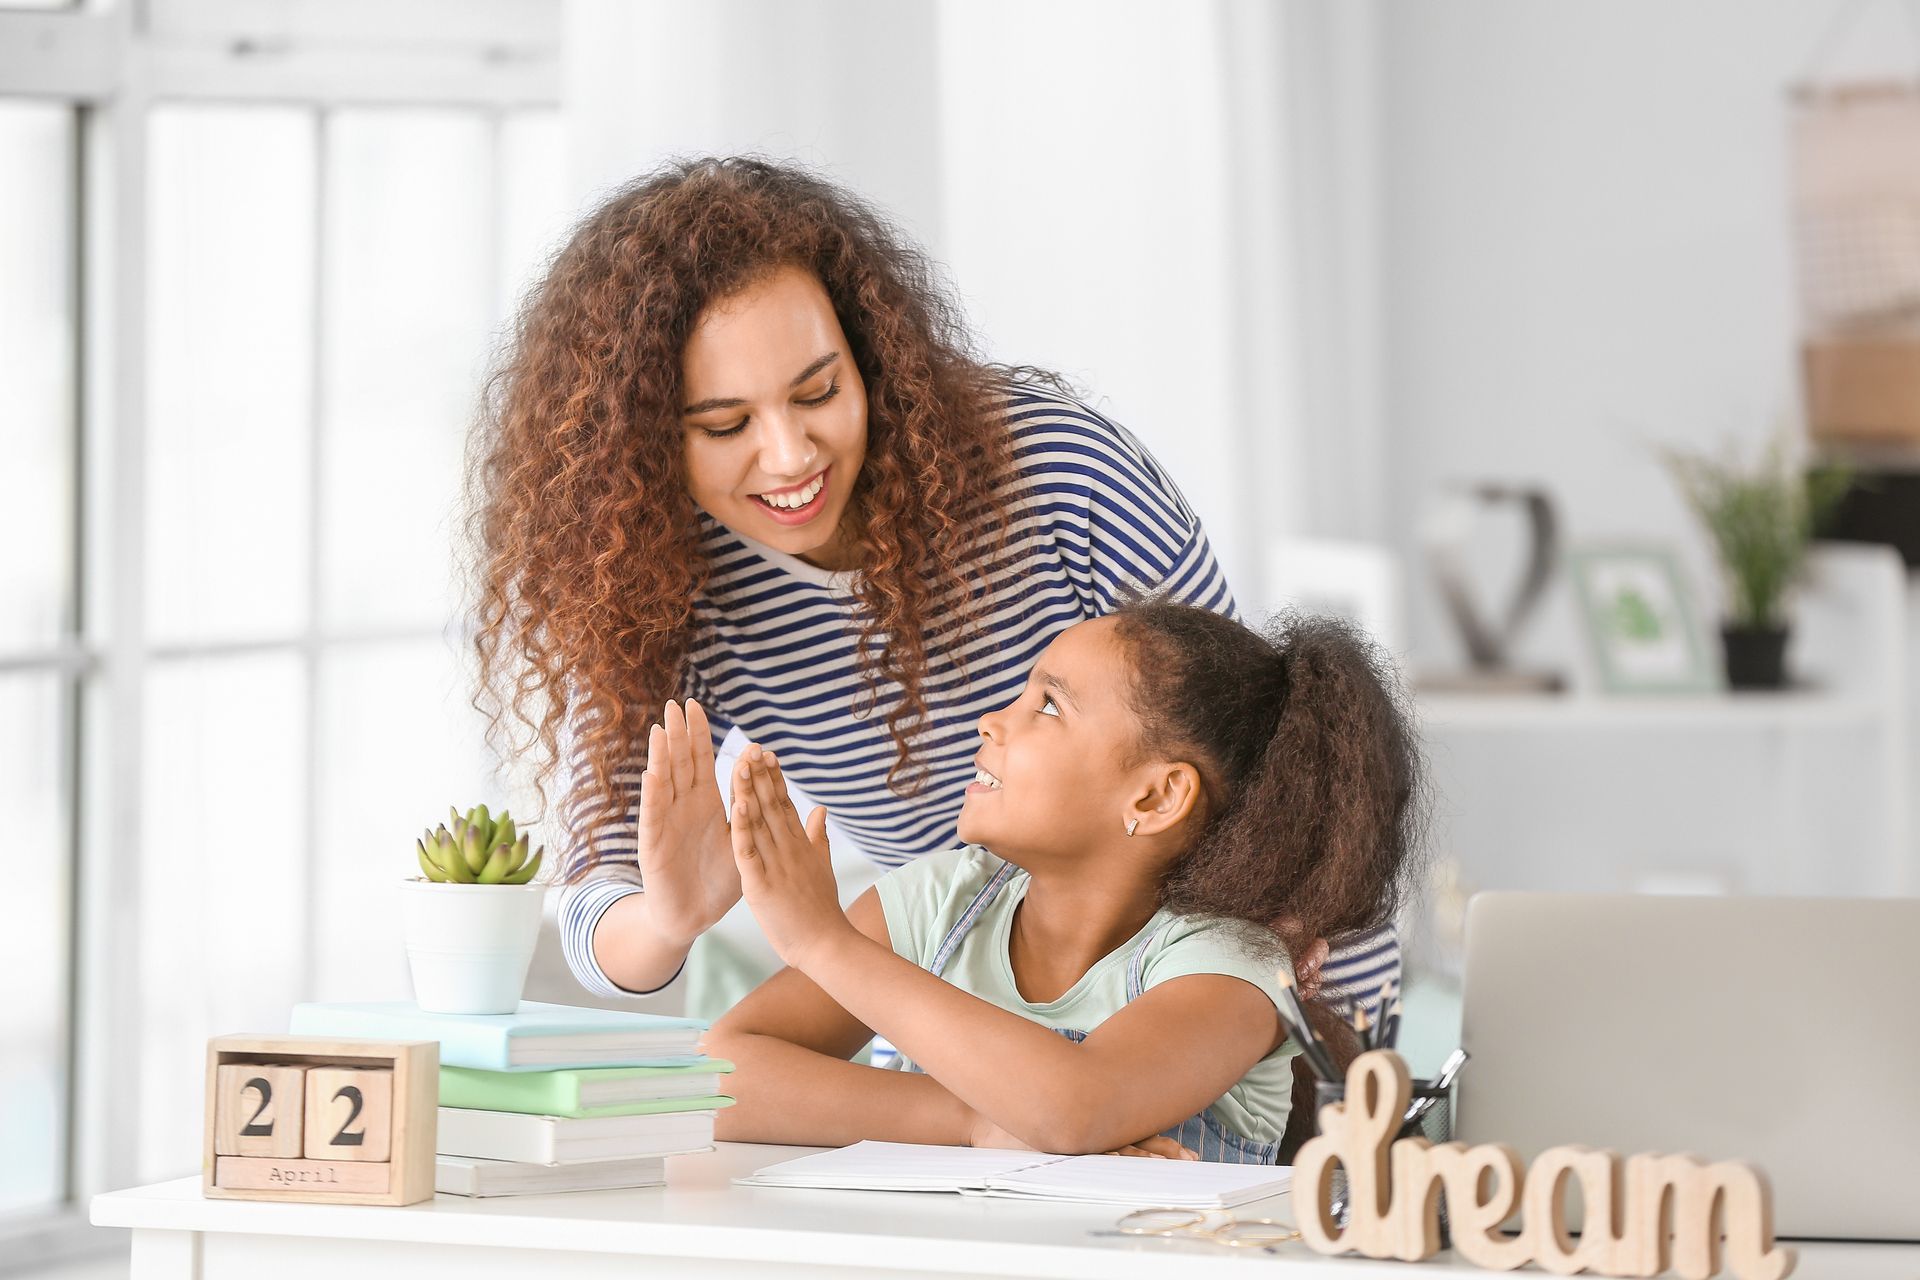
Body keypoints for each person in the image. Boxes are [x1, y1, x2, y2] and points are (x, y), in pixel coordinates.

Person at [463, 155, 1400, 1017]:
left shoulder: (1055, 474)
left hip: (1225, 969)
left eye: (820, 393)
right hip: (981, 997)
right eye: (723, 423)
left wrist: (1310, 1051)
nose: (789, 456)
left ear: (872, 362)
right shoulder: (646, 584)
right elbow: (600, 906)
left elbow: (1264, 755)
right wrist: (669, 918)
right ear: (643, 444)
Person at [698, 601, 1425, 1160]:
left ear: (1154, 797)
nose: (990, 722)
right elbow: (718, 1077)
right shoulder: (941, 902)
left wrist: (824, 944)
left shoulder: (1230, 970)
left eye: (1047, 706)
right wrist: (972, 1121)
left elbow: (1075, 1108)